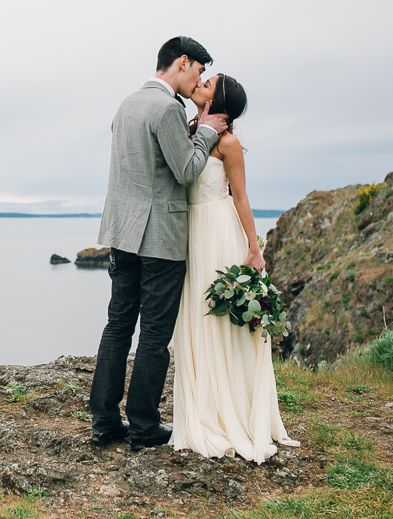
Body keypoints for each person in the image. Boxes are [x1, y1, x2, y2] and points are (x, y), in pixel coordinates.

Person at [90, 36, 229, 450]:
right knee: (153, 335)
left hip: (122, 233)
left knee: (118, 326)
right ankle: (145, 427)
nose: (198, 80)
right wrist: (204, 133)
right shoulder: (168, 108)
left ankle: (103, 422)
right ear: (183, 62)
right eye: (200, 72)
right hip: (161, 238)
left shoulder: (127, 103)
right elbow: (186, 171)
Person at [170, 73, 300, 463]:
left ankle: (233, 411)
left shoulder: (229, 142)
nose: (198, 84)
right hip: (190, 231)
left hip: (219, 231)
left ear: (220, 100)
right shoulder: (189, 130)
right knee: (194, 315)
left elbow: (242, 198)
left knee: (219, 320)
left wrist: (254, 249)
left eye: (207, 83)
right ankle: (201, 407)